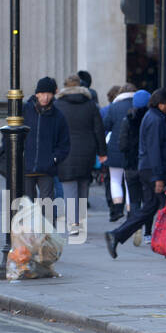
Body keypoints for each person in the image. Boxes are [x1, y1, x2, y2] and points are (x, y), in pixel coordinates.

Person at [105, 88, 166, 259]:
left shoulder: (154, 117)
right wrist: (159, 177)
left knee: (149, 208)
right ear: (161, 104)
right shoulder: (155, 120)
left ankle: (117, 235)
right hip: (153, 171)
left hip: (149, 169)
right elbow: (154, 150)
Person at [0, 77, 71, 203]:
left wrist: (54, 158)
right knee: (28, 205)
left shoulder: (58, 116)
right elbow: (10, 135)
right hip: (26, 167)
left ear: (53, 94)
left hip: (46, 168)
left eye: (48, 94)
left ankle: (48, 223)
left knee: (47, 204)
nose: (45, 97)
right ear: (37, 94)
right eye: (42, 93)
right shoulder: (24, 111)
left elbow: (64, 143)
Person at [55, 75, 106, 232]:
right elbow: (98, 129)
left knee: (69, 185)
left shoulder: (57, 105)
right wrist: (102, 151)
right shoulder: (90, 104)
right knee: (84, 184)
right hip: (87, 149)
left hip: (65, 150)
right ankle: (81, 220)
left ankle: (73, 223)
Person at [115, 89, 150, 237]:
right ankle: (148, 233)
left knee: (134, 200)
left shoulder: (127, 119)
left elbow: (122, 144)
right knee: (149, 201)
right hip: (146, 166)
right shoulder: (150, 119)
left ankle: (135, 226)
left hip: (130, 166)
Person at [101, 85, 134, 220]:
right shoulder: (138, 106)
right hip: (132, 149)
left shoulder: (114, 107)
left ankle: (118, 207)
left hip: (115, 148)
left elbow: (106, 125)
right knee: (129, 182)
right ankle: (130, 210)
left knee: (115, 179)